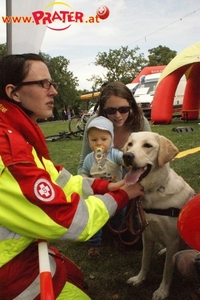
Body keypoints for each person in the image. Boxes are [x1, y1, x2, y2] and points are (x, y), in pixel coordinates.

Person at [0, 53, 144, 300]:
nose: (54, 91)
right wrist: (121, 194)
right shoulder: (10, 151)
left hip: (23, 254)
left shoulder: (17, 135)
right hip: (11, 273)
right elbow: (71, 221)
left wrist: (108, 185)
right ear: (14, 93)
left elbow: (62, 181)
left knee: (75, 276)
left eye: (52, 83)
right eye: (43, 83)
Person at [77, 81, 151, 251]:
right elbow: (83, 165)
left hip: (131, 185)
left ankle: (121, 220)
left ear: (131, 105)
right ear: (103, 109)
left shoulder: (140, 123)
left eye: (123, 109)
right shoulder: (95, 125)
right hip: (103, 185)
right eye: (111, 110)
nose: (118, 115)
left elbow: (150, 160)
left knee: (132, 240)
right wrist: (93, 185)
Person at [82, 116, 123, 257]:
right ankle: (94, 244)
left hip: (116, 192)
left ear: (111, 139)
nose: (99, 143)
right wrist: (85, 178)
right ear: (88, 141)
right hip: (97, 194)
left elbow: (124, 161)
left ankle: (118, 237)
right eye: (94, 140)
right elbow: (84, 173)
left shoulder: (116, 155)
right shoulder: (89, 159)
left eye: (104, 139)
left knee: (120, 216)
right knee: (94, 218)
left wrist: (126, 162)